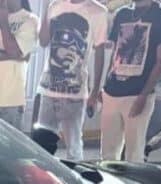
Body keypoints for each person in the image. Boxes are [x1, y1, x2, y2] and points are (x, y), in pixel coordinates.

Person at [101, 0, 161, 162]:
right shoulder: (122, 13)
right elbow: (115, 52)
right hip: (112, 90)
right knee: (107, 153)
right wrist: (105, 85)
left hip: (138, 92)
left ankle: (132, 179)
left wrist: (143, 95)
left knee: (134, 153)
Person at [36, 0, 108, 160]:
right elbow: (43, 41)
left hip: (75, 92)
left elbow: (100, 52)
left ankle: (75, 174)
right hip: (48, 89)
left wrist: (95, 91)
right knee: (42, 146)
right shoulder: (55, 6)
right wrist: (45, 8)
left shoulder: (98, 11)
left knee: (73, 147)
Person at [0, 0, 39, 131]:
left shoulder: (30, 20)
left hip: (13, 100)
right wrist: (16, 56)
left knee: (10, 143)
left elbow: (14, 50)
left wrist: (4, 21)